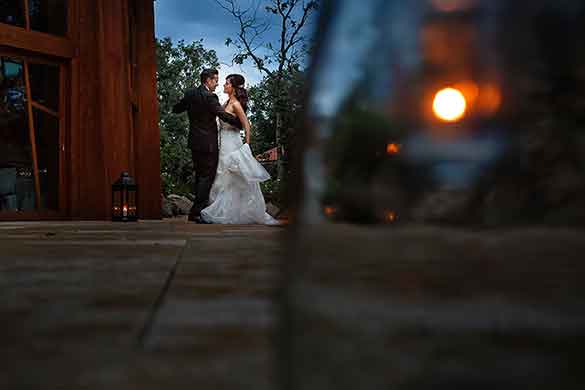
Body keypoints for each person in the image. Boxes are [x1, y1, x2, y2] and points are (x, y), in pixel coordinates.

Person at [200, 74, 279, 225]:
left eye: (227, 83)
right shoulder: (225, 102)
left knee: (231, 175)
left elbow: (247, 125)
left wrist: (247, 145)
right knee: (223, 174)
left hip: (232, 142)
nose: (224, 85)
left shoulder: (235, 104)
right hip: (223, 142)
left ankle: (228, 212)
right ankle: (225, 210)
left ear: (233, 88)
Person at [172, 68, 241, 223]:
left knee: (199, 175)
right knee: (206, 177)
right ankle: (197, 212)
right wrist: (239, 122)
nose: (217, 84)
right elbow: (221, 114)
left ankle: (198, 210)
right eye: (216, 80)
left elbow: (177, 109)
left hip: (194, 142)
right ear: (208, 80)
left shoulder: (190, 94)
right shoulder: (210, 97)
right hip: (208, 144)